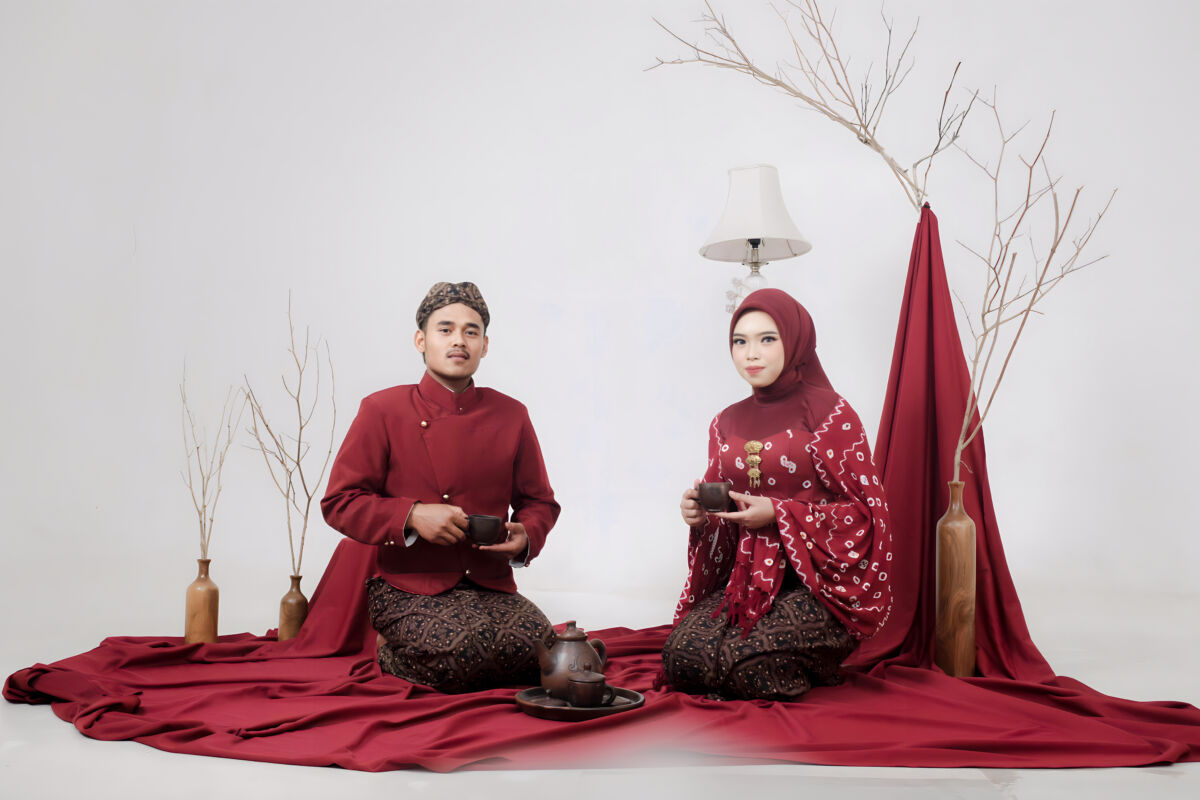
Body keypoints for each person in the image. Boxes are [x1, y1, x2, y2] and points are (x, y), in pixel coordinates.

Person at [321, 281, 560, 693]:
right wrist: (412, 515)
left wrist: (527, 535)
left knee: (544, 658)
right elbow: (340, 502)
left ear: (485, 345)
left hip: (490, 582)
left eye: (471, 331)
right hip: (408, 583)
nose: (459, 340)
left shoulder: (512, 414)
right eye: (445, 329)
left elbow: (539, 502)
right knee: (461, 655)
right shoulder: (382, 409)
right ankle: (387, 650)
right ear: (421, 340)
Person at [662, 288, 894, 701]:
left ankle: (819, 660)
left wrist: (780, 513)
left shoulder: (830, 414)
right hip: (746, 580)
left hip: (819, 588)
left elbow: (867, 514)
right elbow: (723, 512)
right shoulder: (725, 421)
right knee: (682, 657)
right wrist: (700, 516)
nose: (751, 354)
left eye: (767, 339)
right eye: (740, 341)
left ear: (795, 340)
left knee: (744, 663)